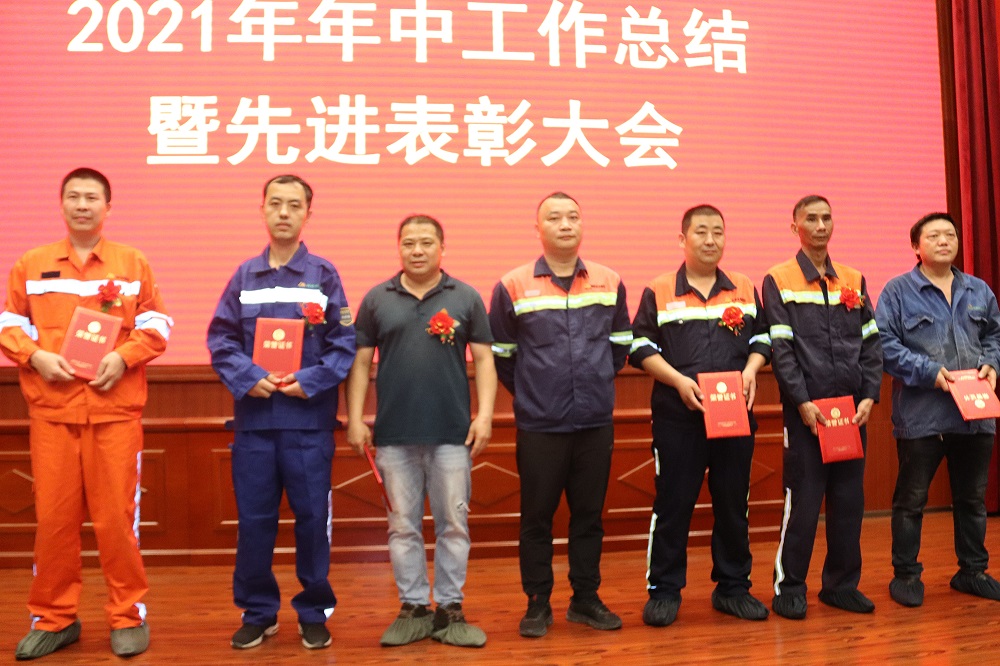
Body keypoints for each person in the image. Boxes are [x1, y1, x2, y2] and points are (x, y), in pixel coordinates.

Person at [1, 167, 171, 660]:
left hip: (114, 414)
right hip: (52, 414)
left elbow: (157, 324)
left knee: (117, 521)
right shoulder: (31, 264)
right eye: (73, 196)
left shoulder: (131, 262)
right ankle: (54, 619)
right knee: (53, 523)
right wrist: (35, 356)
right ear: (61, 204)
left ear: (107, 207)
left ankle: (128, 615)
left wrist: (124, 357)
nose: (82, 205)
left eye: (91, 197)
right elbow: (9, 323)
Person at [207, 175, 356, 651]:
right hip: (255, 425)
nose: (284, 213)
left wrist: (308, 381)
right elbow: (220, 338)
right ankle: (258, 612)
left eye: (294, 205)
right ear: (263, 210)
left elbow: (344, 344)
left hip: (308, 425)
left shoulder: (324, 276)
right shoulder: (244, 276)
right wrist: (248, 376)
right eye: (275, 204)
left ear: (308, 213)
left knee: (313, 522)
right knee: (254, 523)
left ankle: (314, 611)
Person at [345, 214, 496, 648]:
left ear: (442, 248)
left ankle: (450, 608)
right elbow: (360, 363)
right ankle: (413, 607)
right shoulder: (377, 299)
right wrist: (355, 418)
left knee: (454, 525)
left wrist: (484, 416)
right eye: (408, 242)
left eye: (426, 242)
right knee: (402, 527)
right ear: (398, 247)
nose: (417, 250)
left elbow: (485, 360)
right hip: (394, 436)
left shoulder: (465, 297)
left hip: (452, 435)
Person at [489, 192, 632, 638]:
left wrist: (593, 382)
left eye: (573, 216)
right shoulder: (512, 284)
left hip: (594, 422)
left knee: (589, 516)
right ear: (538, 229)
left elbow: (620, 347)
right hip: (540, 425)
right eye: (554, 218)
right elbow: (503, 356)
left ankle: (585, 599)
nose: (565, 224)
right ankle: (537, 603)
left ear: (582, 224)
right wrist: (537, 393)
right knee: (537, 518)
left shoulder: (609, 281)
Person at [629, 205, 771, 627]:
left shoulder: (743, 286)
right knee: (673, 505)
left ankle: (733, 587)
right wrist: (677, 381)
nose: (711, 240)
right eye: (701, 232)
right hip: (678, 418)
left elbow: (764, 338)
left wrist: (751, 370)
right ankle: (664, 590)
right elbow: (639, 346)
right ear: (682, 239)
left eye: (718, 232)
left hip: (734, 415)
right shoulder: (659, 289)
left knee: (733, 504)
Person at [762, 195, 882, 619]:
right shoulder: (778, 278)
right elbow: (781, 349)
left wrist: (869, 395)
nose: (820, 225)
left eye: (826, 218)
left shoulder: (853, 278)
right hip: (807, 416)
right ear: (794, 226)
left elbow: (871, 342)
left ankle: (841, 585)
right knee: (804, 503)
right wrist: (801, 402)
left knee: (849, 501)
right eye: (810, 219)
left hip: (851, 412)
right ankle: (790, 586)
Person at [875, 212, 1000, 607]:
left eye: (950, 234)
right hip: (922, 415)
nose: (944, 241)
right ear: (916, 246)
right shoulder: (897, 292)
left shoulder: (979, 290)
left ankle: (972, 571)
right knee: (911, 501)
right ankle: (907, 575)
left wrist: (992, 364)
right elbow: (884, 345)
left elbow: (994, 335)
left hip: (975, 415)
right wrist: (929, 372)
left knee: (972, 499)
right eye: (934, 236)